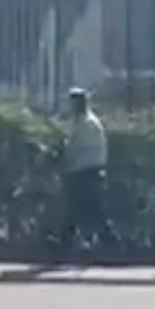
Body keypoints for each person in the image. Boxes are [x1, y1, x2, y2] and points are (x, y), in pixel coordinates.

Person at [61, 87, 115, 256]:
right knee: (81, 211)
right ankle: (65, 246)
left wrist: (66, 159)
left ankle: (114, 246)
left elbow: (76, 149)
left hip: (87, 172)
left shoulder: (87, 124)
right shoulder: (81, 121)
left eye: (72, 103)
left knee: (90, 212)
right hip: (83, 172)